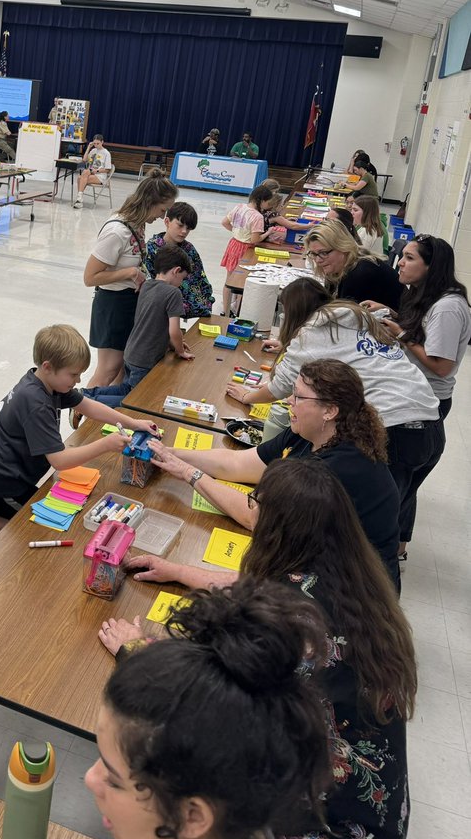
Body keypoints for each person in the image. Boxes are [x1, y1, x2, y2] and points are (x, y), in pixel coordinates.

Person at [112, 459, 415, 839]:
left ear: (275, 527)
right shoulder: (354, 583)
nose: (249, 509)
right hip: (375, 824)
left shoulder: (282, 627)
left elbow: (204, 695)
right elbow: (264, 585)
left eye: (255, 503)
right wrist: (180, 571)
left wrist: (134, 650)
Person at [0, 579, 331, 839]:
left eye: (114, 778)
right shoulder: (173, 830)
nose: (89, 779)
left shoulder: (166, 825)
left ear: (192, 815)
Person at [148, 359, 400, 586]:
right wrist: (170, 453)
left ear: (330, 410)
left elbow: (256, 517)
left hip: (353, 591)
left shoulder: (334, 469)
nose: (288, 401)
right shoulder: (308, 433)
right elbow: (235, 463)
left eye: (299, 397)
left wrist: (190, 474)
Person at [226, 277, 441, 505]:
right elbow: (344, 348)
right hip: (431, 422)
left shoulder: (311, 333)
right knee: (399, 509)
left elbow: (279, 388)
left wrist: (247, 396)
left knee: (368, 517)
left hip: (395, 426)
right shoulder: (354, 315)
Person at [0, 324, 158, 531]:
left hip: (5, 472)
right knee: (33, 528)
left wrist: (133, 422)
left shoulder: (47, 382)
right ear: (48, 366)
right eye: (73, 374)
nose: (78, 380)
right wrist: (106, 444)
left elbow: (88, 406)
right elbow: (59, 460)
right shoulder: (36, 403)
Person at [364, 235, 471, 552]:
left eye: (409, 258)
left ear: (430, 266)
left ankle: (387, 549)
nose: (400, 263)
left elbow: (441, 365)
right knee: (401, 476)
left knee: (397, 475)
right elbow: (422, 332)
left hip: (427, 401)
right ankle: (399, 542)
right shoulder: (424, 295)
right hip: (412, 393)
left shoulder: (448, 308)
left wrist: (402, 334)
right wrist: (391, 313)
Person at [84, 170, 178, 387]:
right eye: (162, 210)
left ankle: (104, 415)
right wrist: (129, 273)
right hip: (112, 304)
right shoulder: (117, 231)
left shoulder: (138, 223)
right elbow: (90, 277)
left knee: (121, 370)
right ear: (149, 202)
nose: (163, 217)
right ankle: (81, 412)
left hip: (129, 302)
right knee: (108, 370)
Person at [78, 246, 195, 412]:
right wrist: (180, 350)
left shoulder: (146, 285)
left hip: (131, 352)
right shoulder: (173, 293)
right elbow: (174, 331)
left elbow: (152, 322)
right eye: (182, 279)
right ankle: (86, 403)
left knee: (127, 389)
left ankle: (85, 394)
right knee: (136, 400)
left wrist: (171, 345)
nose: (181, 284)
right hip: (146, 359)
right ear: (176, 271)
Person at [302, 220, 402, 308]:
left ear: (343, 247)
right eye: (314, 254)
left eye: (323, 253)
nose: (318, 260)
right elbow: (328, 301)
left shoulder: (360, 273)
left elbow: (345, 319)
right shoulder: (336, 265)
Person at [144, 202, 214, 316]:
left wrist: (206, 303)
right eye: (180, 225)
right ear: (167, 222)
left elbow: (202, 281)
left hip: (193, 306)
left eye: (188, 228)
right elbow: (150, 285)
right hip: (161, 307)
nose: (184, 231)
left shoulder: (189, 249)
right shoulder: (152, 249)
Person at [219, 183, 276, 315]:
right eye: (268, 202)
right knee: (243, 283)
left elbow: (224, 222)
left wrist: (236, 231)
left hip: (233, 245)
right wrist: (268, 233)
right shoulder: (257, 217)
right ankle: (238, 312)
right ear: (261, 201)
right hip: (246, 250)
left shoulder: (239, 207)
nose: (269, 206)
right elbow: (254, 240)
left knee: (229, 280)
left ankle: (225, 311)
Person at [73, 134, 113, 208]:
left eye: (98, 143)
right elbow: (84, 160)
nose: (96, 145)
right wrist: (88, 147)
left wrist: (97, 171)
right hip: (90, 172)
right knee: (85, 172)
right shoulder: (93, 150)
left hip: (100, 175)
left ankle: (79, 200)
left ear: (102, 142)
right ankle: (79, 199)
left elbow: (108, 169)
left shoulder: (106, 153)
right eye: (94, 143)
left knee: (80, 178)